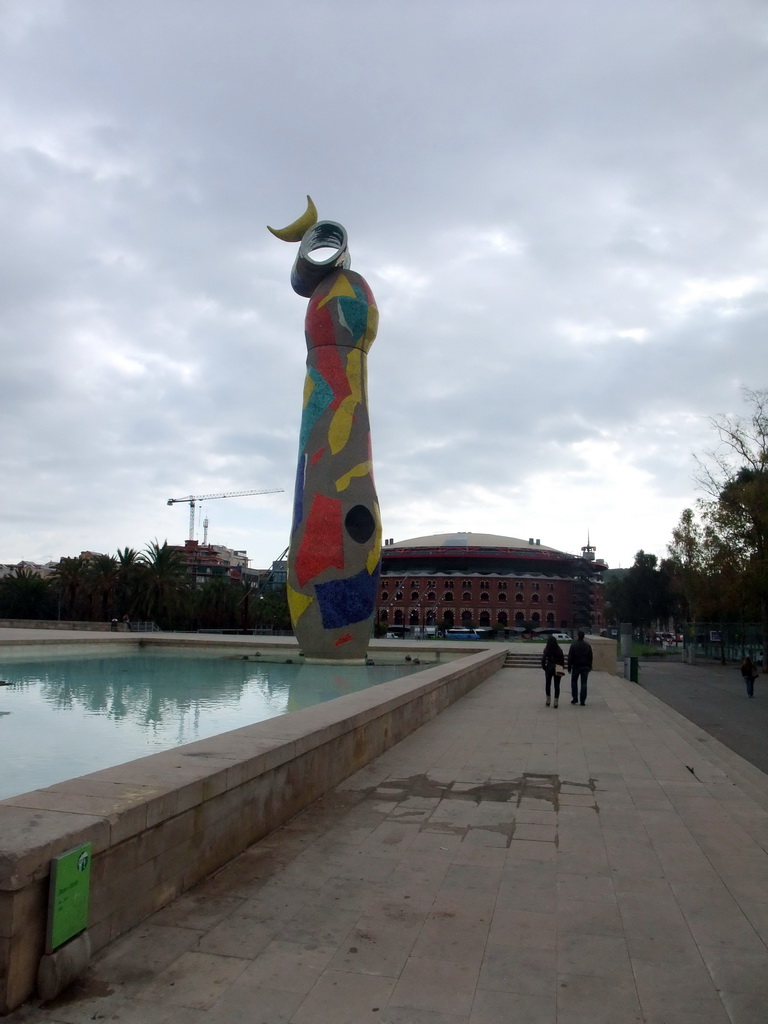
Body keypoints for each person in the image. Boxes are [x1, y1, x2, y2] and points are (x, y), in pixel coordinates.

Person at [568, 630, 593, 705]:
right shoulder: (587, 646)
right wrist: (590, 666)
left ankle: (575, 698)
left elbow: (570, 657)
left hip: (576, 666)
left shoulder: (573, 645)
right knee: (584, 683)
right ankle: (583, 700)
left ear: (578, 636)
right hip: (585, 666)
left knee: (574, 682)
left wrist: (569, 667)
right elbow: (590, 657)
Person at [541, 635, 565, 707]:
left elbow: (543, 659)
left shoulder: (547, 649)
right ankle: (556, 701)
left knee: (548, 684)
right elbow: (562, 660)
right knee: (557, 685)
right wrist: (562, 668)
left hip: (549, 667)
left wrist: (544, 667)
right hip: (558, 667)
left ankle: (548, 700)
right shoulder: (559, 649)